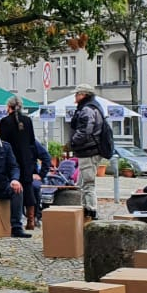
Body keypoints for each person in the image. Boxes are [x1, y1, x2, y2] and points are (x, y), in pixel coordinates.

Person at [65, 84, 113, 220]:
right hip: (90, 149)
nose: (75, 97)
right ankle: (86, 208)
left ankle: (91, 210)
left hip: (88, 150)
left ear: (83, 95)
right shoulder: (94, 106)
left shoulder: (87, 109)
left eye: (77, 94)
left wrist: (73, 142)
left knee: (88, 183)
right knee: (82, 183)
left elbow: (85, 130)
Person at [0, 97, 46, 230]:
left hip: (12, 158)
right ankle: (31, 220)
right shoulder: (27, 120)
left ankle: (13, 219)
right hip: (27, 159)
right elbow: (31, 140)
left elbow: (3, 143)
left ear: (9, 107)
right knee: (28, 188)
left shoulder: (4, 121)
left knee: (13, 187)